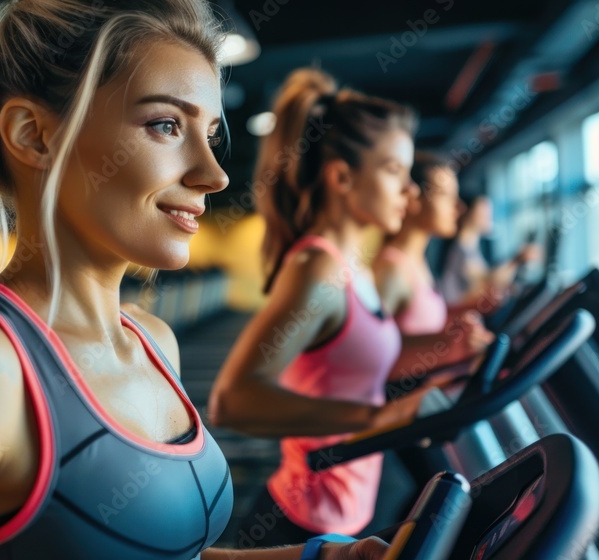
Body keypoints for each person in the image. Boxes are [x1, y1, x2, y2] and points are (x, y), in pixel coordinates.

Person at [0, 1, 388, 559]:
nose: (213, 174)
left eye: (211, 134)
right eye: (166, 125)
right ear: (34, 135)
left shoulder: (152, 342)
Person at [208, 68, 452, 548]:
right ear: (342, 176)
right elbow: (232, 400)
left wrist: (451, 348)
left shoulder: (352, 266)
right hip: (304, 519)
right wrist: (374, 418)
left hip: (346, 509)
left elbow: (359, 362)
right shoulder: (318, 268)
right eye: (394, 172)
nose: (411, 191)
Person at [373, 153, 493, 386]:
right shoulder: (392, 269)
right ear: (414, 198)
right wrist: (449, 347)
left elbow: (415, 326)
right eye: (446, 196)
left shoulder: (417, 261)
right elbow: (373, 359)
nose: (458, 208)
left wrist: (459, 324)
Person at [438, 194, 541, 312]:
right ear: (468, 212)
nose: (489, 216)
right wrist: (516, 260)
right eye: (483, 212)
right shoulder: (459, 249)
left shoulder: (471, 248)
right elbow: (487, 280)